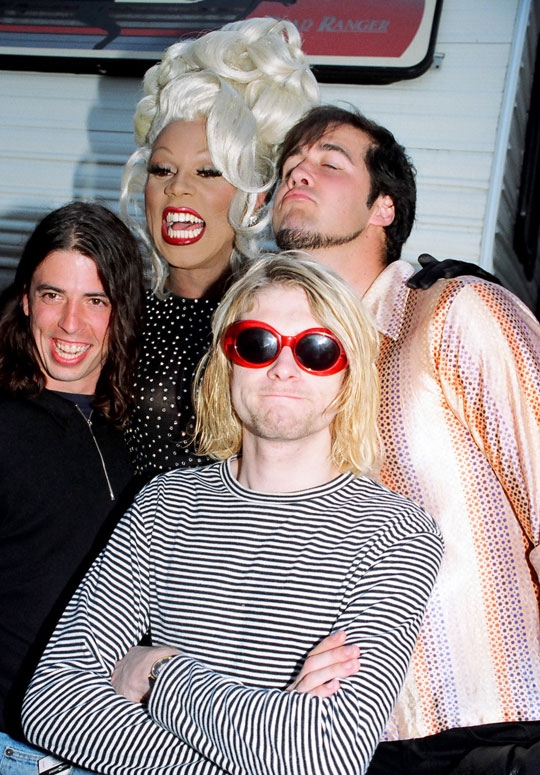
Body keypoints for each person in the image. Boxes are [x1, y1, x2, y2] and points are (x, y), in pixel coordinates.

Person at [22, 253, 444, 775]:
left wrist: (157, 671)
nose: (283, 367)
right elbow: (51, 701)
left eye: (317, 350)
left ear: (350, 374)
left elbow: (326, 754)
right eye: (257, 343)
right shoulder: (163, 504)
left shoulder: (396, 532)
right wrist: (269, 738)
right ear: (227, 360)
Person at [271, 104, 540, 773]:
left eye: (328, 160)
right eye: (287, 167)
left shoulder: (455, 312)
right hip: (354, 739)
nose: (298, 171)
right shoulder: (288, 370)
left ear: (383, 207)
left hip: (492, 724)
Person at [0, 201, 144, 774]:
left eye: (95, 300)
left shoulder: (127, 441)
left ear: (122, 311)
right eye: (52, 295)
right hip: (10, 755)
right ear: (25, 301)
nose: (71, 324)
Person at [119, 16, 320, 483]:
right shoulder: (110, 306)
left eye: (208, 173)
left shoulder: (282, 316)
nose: (177, 191)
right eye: (163, 170)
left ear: (254, 196)